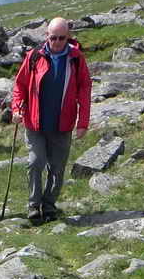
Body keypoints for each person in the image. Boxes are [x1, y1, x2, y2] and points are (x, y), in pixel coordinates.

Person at [8, 17, 91, 223]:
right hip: (35, 122)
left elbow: (85, 89)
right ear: (47, 36)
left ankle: (49, 205)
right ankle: (34, 205)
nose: (57, 42)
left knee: (57, 168)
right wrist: (17, 109)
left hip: (62, 123)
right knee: (35, 163)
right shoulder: (34, 56)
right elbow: (20, 86)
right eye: (53, 38)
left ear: (68, 37)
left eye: (61, 38)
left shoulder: (76, 58)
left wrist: (83, 122)